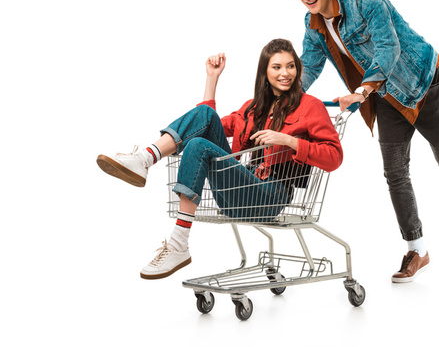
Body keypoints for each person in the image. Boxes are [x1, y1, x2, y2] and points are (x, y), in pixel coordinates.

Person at [286, 0, 439, 283]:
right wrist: (285, 98)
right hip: (386, 98)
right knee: (394, 172)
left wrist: (362, 92)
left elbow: (388, 49)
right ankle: (417, 249)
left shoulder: (364, 0)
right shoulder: (314, 25)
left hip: (423, 83)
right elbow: (308, 65)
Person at [97, 39, 343, 279]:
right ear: (265, 72)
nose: (285, 73)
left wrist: (289, 141)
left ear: (298, 69)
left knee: (198, 145)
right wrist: (212, 78)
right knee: (203, 119)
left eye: (291, 66)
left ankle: (178, 242)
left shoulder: (310, 107)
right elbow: (204, 123)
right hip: (239, 189)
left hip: (271, 194)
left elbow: (334, 157)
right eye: (276, 67)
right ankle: (145, 159)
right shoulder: (253, 107)